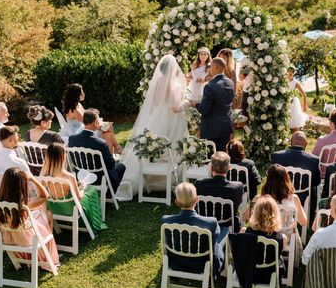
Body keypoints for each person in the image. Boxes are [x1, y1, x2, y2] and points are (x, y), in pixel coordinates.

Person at [121, 54, 189, 194]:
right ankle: (168, 179)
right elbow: (175, 107)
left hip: (157, 116)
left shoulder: (157, 81)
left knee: (150, 144)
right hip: (172, 118)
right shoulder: (175, 86)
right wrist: (187, 103)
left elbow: (154, 103)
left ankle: (149, 177)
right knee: (172, 144)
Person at [0, 167, 59, 270]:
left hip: (10, 238)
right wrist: (32, 179)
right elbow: (45, 195)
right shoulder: (23, 203)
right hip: (27, 239)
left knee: (39, 213)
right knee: (45, 213)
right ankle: (46, 255)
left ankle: (28, 259)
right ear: (21, 185)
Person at [40, 142, 107, 232]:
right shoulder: (68, 177)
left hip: (53, 208)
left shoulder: (42, 175)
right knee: (92, 189)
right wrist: (83, 188)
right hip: (69, 209)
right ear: (62, 157)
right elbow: (79, 197)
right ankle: (95, 222)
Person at [161, 182, 225, 275]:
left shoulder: (166, 221)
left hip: (176, 263)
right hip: (202, 265)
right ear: (197, 199)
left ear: (177, 202)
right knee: (219, 242)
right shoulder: (211, 222)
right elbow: (214, 240)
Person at [69, 109, 126, 194]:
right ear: (96, 123)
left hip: (80, 175)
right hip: (98, 177)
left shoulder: (72, 139)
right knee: (121, 167)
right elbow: (110, 165)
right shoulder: (100, 143)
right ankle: (109, 196)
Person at [257, 164, 306, 260]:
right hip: (287, 238)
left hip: (264, 237)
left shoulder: (260, 199)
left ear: (268, 180)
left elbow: (245, 218)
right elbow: (303, 222)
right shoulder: (294, 198)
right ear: (286, 179)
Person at [270, 131, 321, 218]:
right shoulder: (313, 159)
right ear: (306, 144)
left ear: (290, 142)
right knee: (314, 188)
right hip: (303, 195)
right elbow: (316, 182)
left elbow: (272, 176)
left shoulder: (277, 156)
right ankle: (310, 217)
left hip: (280, 192)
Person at [62, 83, 121, 154]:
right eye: (81, 92)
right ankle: (116, 150)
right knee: (108, 132)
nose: (83, 93)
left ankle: (115, 151)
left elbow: (89, 118)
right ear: (76, 95)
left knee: (107, 131)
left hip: (86, 127)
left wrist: (104, 124)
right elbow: (88, 121)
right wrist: (103, 125)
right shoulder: (74, 110)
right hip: (80, 133)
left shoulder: (78, 105)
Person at [192, 57, 234, 152]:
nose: (209, 69)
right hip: (226, 127)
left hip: (211, 128)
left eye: (210, 67)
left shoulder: (210, 86)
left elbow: (204, 110)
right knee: (223, 157)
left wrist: (195, 104)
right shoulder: (230, 83)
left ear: (215, 67)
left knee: (211, 160)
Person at [194, 151, 244, 232]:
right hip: (227, 224)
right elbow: (237, 205)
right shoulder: (237, 187)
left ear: (211, 168)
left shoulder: (199, 184)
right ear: (229, 168)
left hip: (204, 223)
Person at [241, 195, 287, 271]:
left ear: (255, 213)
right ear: (275, 214)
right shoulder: (282, 238)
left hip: (247, 274)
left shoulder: (244, 232)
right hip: (269, 276)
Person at [286, 66, 309, 132]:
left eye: (291, 73)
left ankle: (297, 137)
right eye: (288, 73)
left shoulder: (295, 82)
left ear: (293, 73)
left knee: (295, 123)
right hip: (286, 103)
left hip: (294, 103)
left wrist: (304, 106)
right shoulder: (284, 82)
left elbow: (304, 94)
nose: (289, 75)